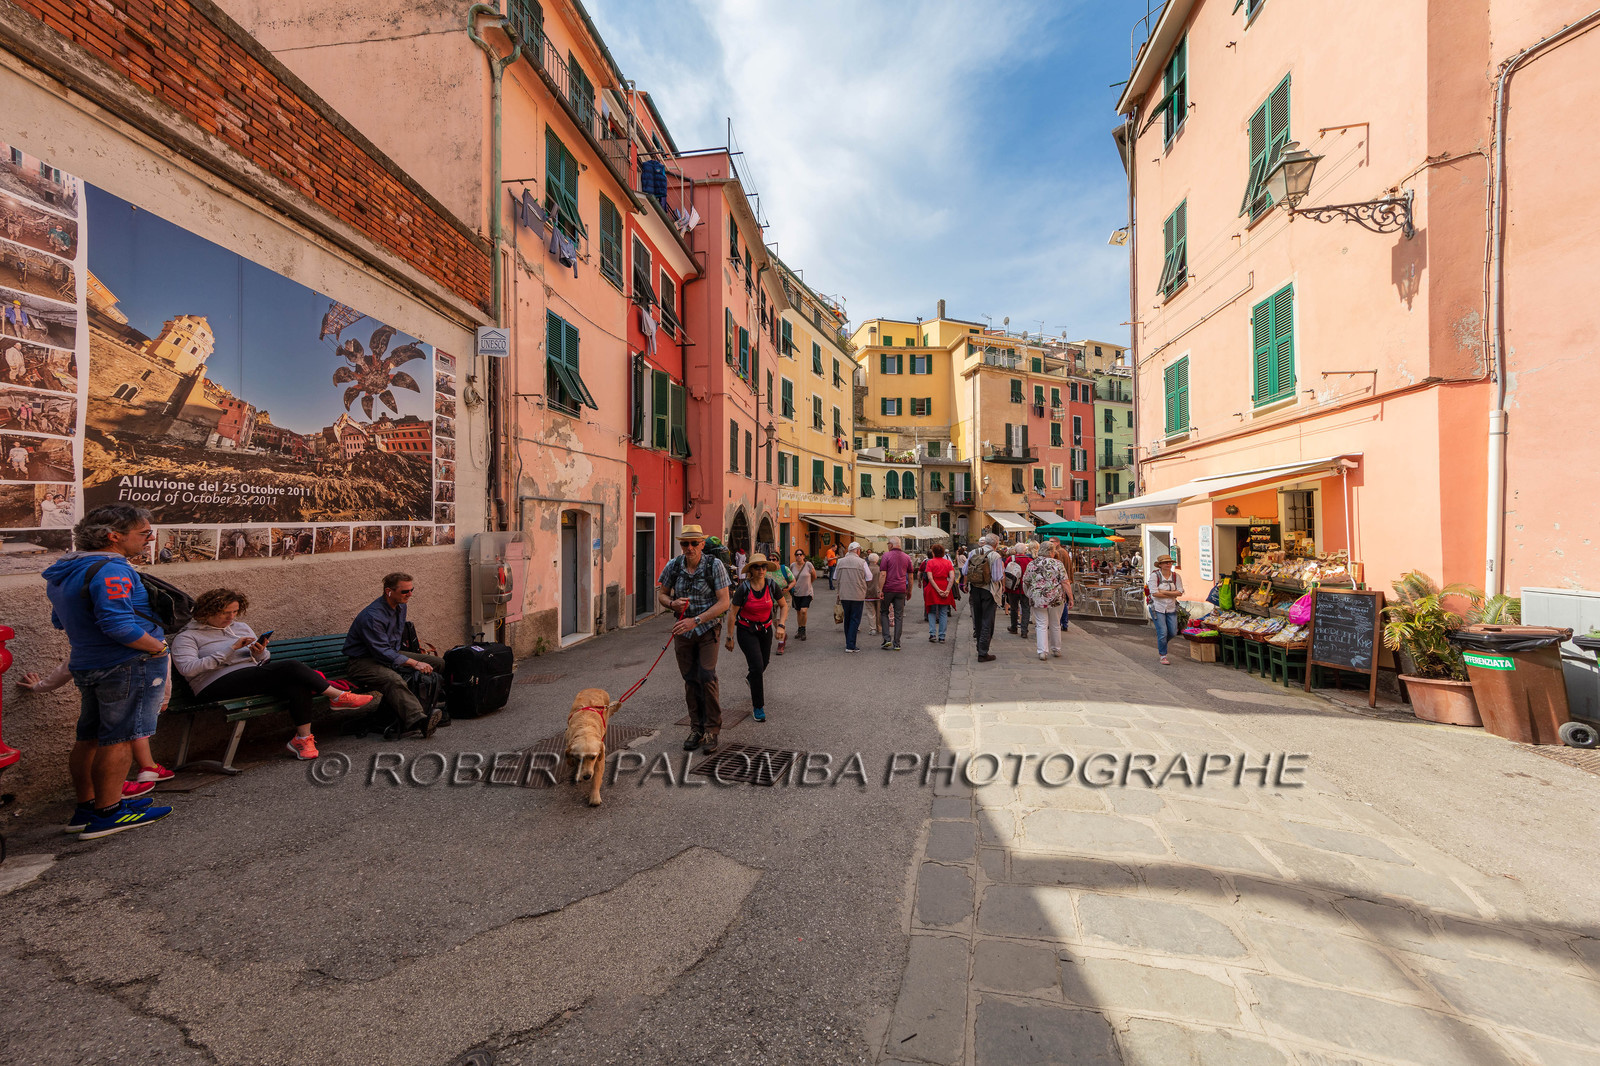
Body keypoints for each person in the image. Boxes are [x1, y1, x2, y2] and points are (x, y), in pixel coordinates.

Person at [41, 505, 173, 838]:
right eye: (144, 533)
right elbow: (117, 625)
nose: (150, 538)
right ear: (114, 536)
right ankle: (108, 812)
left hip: (88, 661)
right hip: (126, 664)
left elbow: (60, 621)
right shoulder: (112, 569)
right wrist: (157, 648)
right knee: (120, 739)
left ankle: (87, 807)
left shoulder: (64, 571)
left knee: (89, 738)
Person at [174, 588, 377, 760]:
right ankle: (337, 696)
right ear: (207, 612)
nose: (231, 617)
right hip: (213, 685)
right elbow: (188, 669)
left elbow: (263, 661)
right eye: (225, 613)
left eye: (235, 612)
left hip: (249, 676)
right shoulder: (188, 636)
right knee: (291, 667)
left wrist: (260, 652)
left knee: (297, 683)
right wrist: (230, 649)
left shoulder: (239, 628)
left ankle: (303, 739)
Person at [343, 572, 445, 737]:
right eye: (405, 591)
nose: (410, 594)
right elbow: (381, 651)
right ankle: (420, 721)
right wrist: (413, 663)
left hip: (389, 653)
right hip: (363, 662)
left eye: (412, 590)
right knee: (393, 679)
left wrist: (409, 660)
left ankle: (439, 706)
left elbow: (392, 646)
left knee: (437, 663)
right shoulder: (372, 616)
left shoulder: (401, 606)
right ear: (389, 592)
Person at [658, 525, 732, 753]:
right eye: (685, 543)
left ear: (702, 544)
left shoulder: (714, 565)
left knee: (707, 676)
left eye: (694, 543)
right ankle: (696, 728)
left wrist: (696, 620)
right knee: (690, 679)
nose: (689, 548)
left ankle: (712, 729)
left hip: (707, 629)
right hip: (683, 631)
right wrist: (672, 603)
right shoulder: (674, 565)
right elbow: (662, 594)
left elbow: (724, 602)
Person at [724, 553, 787, 723]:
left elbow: (783, 605)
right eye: (757, 567)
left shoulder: (772, 585)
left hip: (765, 630)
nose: (761, 570)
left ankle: (751, 678)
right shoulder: (744, 588)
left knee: (764, 663)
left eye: (764, 567)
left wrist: (781, 625)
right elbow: (732, 613)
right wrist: (729, 637)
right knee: (757, 666)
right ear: (751, 570)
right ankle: (758, 706)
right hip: (746, 630)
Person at [1022, 546, 1070, 660]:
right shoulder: (1058, 564)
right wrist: (1071, 598)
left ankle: (1042, 651)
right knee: (1055, 623)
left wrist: (1029, 594)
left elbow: (1026, 581)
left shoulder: (1032, 564)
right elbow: (1065, 582)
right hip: (1055, 598)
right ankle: (1056, 649)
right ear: (1051, 552)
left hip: (1038, 597)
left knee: (1041, 624)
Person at [967, 534, 1004, 662]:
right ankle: (983, 652)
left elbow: (965, 571)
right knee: (987, 620)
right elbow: (997, 577)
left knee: (978, 619)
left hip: (975, 588)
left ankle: (979, 646)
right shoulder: (995, 555)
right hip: (989, 590)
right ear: (996, 544)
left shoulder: (973, 552)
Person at [833, 541, 871, 652]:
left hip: (844, 594)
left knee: (848, 618)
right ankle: (850, 645)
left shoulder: (840, 561)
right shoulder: (862, 562)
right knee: (855, 619)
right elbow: (869, 577)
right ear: (857, 550)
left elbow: (835, 576)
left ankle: (848, 642)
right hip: (858, 594)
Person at [876, 536, 913, 650]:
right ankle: (897, 643)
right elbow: (911, 576)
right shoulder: (907, 557)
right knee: (899, 616)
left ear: (891, 545)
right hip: (901, 589)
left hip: (888, 589)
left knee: (884, 612)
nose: (887, 546)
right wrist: (909, 590)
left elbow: (883, 574)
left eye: (888, 544)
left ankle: (887, 639)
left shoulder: (886, 556)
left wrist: (880, 590)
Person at [1148, 555, 1184, 664]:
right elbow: (1154, 593)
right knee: (1163, 632)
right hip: (1157, 607)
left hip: (1171, 607)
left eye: (1170, 562)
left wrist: (1163, 592)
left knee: (1173, 632)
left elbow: (1180, 592)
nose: (1168, 564)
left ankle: (1161, 642)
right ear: (1160, 565)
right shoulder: (1155, 576)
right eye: (1165, 562)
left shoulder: (1176, 576)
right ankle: (1163, 655)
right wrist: (1172, 594)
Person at [922, 543, 957, 643]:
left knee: (932, 611)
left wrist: (937, 590)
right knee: (943, 612)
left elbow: (930, 578)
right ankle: (942, 636)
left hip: (933, 588)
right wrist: (947, 590)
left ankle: (932, 634)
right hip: (944, 586)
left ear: (933, 553)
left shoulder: (930, 562)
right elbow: (952, 577)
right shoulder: (948, 563)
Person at [1005, 543, 1035, 639]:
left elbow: (1005, 572)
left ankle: (1014, 627)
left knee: (1014, 608)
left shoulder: (1010, 559)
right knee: (1026, 608)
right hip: (1025, 588)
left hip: (1013, 588)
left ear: (1015, 550)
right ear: (1025, 550)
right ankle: (1024, 630)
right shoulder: (1030, 561)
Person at [789, 548, 816, 641]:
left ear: (803, 556)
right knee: (798, 612)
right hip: (796, 593)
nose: (799, 556)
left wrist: (809, 584)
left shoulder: (808, 565)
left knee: (803, 611)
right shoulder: (792, 566)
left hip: (807, 592)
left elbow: (814, 576)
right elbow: (790, 578)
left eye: (800, 554)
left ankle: (803, 630)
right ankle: (799, 629)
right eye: (797, 554)